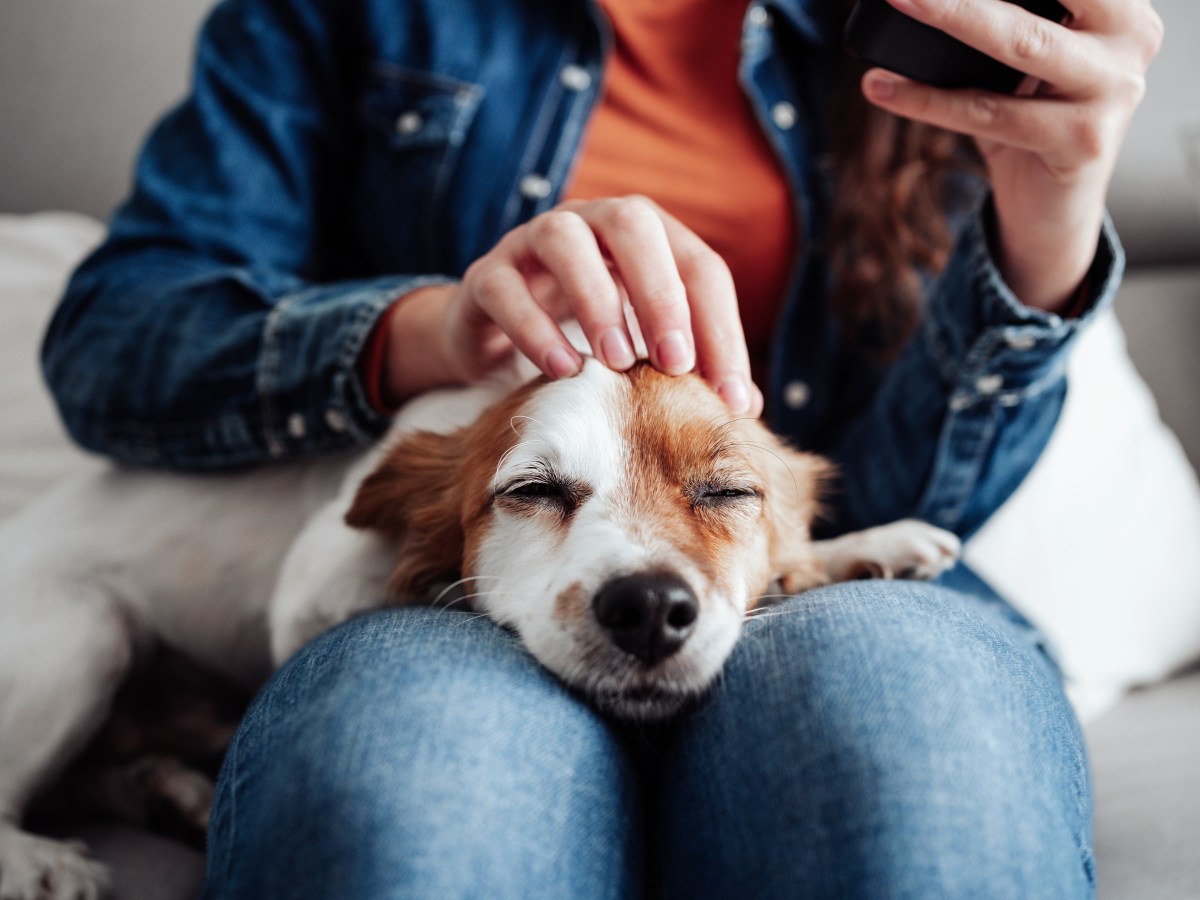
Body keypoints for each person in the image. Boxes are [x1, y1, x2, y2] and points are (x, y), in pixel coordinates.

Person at [42, 0, 1161, 895]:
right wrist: (431, 329)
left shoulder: (933, 35)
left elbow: (899, 501)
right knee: (417, 767)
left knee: (899, 713)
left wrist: (1048, 225)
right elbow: (110, 341)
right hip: (470, 603)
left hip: (790, 587)